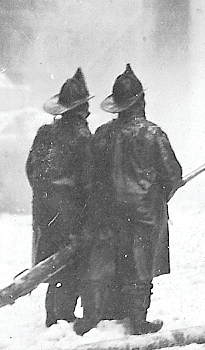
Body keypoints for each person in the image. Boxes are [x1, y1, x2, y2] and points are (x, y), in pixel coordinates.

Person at [75, 64, 183, 336]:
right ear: (140, 101)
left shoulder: (101, 134)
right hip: (144, 214)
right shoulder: (153, 134)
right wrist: (157, 198)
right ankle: (137, 321)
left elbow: (89, 175)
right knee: (140, 267)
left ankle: (97, 315)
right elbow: (173, 174)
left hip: (107, 213)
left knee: (106, 262)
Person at [26, 68, 93, 327]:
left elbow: (31, 169)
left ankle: (52, 315)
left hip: (45, 211)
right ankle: (62, 316)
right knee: (71, 263)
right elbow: (88, 180)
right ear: (81, 108)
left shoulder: (44, 133)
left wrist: (45, 197)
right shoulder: (82, 137)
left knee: (52, 264)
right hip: (71, 212)